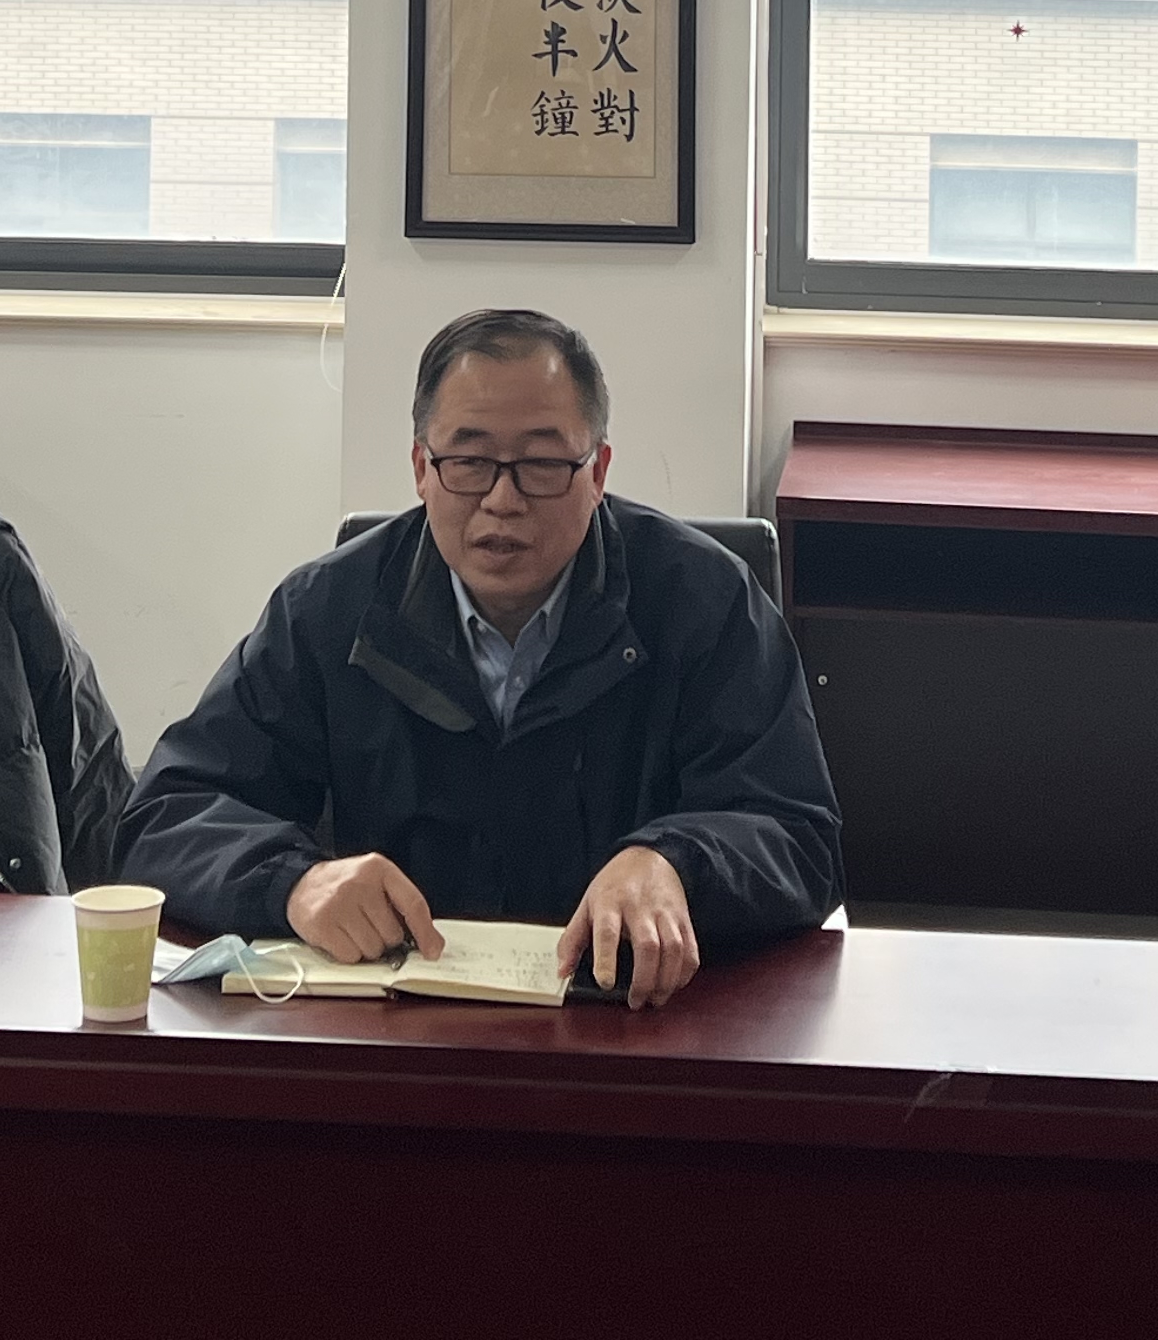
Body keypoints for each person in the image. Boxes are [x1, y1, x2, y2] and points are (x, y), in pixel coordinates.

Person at [123, 307, 840, 1009]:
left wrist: (676, 863)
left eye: (542, 464)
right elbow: (167, 813)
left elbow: (800, 838)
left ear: (597, 472)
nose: (503, 500)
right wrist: (294, 883)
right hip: (398, 1030)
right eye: (468, 462)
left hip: (631, 1023)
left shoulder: (705, 602)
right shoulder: (329, 610)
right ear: (421, 468)